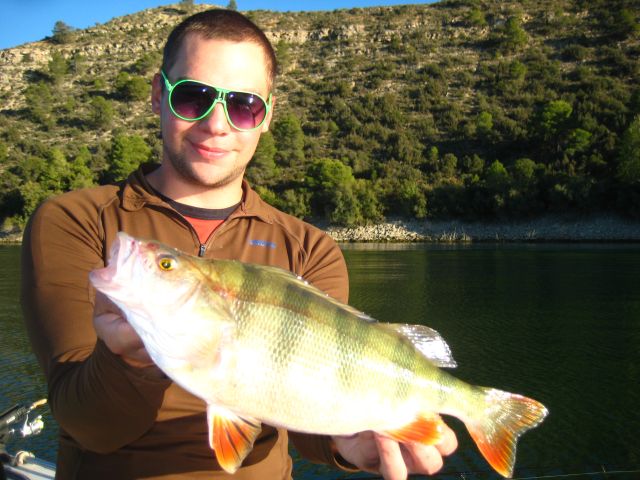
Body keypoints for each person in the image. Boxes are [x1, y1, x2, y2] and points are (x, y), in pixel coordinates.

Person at [20, 8, 457, 480]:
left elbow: (302, 415)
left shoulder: (309, 249)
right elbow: (87, 425)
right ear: (157, 95)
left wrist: (346, 442)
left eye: (244, 105)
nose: (217, 124)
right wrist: (127, 361)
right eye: (193, 97)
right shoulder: (78, 221)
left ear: (266, 116)